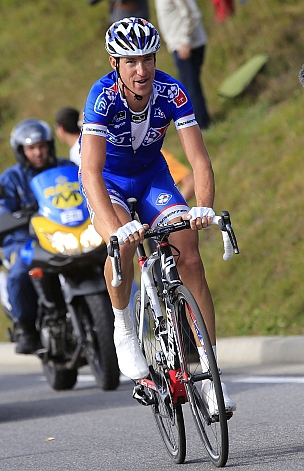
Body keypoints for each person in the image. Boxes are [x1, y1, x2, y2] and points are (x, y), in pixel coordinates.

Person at [80, 17, 235, 413]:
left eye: (147, 58)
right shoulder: (102, 97)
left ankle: (209, 373)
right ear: (115, 63)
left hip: (152, 177)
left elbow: (199, 159)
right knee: (122, 247)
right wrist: (116, 229)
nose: (141, 69)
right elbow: (91, 171)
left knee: (191, 257)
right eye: (130, 61)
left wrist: (202, 206)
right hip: (108, 182)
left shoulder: (172, 90)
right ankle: (124, 327)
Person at [0, 118, 77, 354]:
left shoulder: (66, 168)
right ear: (21, 151)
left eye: (42, 146)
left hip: (64, 233)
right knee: (19, 274)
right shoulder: (11, 178)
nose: (38, 152)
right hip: (24, 238)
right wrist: (6, 214)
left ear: (50, 145)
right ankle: (26, 329)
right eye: (31, 148)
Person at [155, 0, 211, 129]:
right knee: (190, 85)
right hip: (179, 45)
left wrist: (185, 41)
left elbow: (192, 14)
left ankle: (201, 125)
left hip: (187, 46)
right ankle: (202, 122)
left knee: (189, 87)